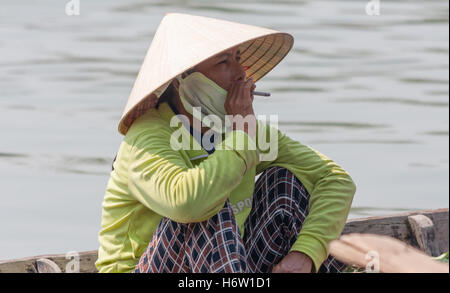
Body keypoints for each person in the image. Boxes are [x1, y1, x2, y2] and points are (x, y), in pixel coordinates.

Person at [95, 13, 356, 273]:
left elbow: (334, 179)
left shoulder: (243, 130)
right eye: (223, 62)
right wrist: (242, 136)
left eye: (238, 59)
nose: (240, 74)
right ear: (183, 78)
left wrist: (306, 254)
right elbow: (188, 204)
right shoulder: (146, 137)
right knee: (208, 205)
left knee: (286, 183)